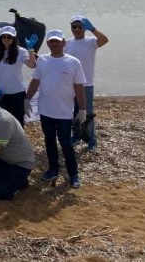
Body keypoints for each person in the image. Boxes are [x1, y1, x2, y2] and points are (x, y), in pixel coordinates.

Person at [25, 29, 87, 188]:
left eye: (57, 41)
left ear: (63, 43)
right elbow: (35, 81)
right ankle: (53, 169)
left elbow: (79, 88)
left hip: (64, 112)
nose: (54, 44)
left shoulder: (73, 62)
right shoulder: (43, 60)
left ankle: (73, 174)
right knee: (49, 141)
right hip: (45, 110)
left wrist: (82, 109)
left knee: (65, 143)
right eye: (51, 41)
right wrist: (27, 99)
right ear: (47, 43)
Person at [66, 15, 109, 152]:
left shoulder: (91, 41)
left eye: (80, 26)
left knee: (87, 113)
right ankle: (76, 136)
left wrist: (93, 29)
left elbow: (105, 40)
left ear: (84, 28)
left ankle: (91, 141)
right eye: (74, 27)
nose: (77, 29)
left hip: (86, 84)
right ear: (71, 28)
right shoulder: (67, 43)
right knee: (74, 112)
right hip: (70, 84)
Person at [0, 26, 36, 126]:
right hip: (2, 94)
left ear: (14, 38)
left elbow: (32, 65)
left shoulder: (21, 51)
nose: (6, 39)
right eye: (4, 37)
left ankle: (19, 137)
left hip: (17, 93)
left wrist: (30, 49)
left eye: (9, 37)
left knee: (18, 122)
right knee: (3, 123)